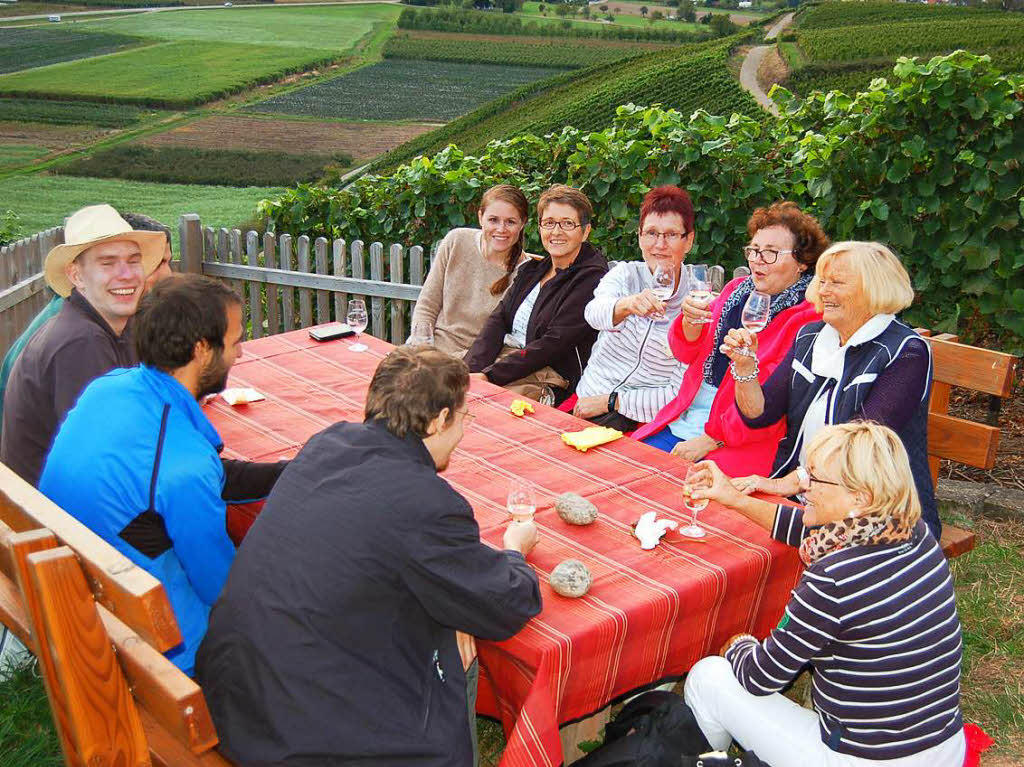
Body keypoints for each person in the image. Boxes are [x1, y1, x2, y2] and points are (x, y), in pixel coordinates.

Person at [196, 346, 542, 767]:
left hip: (239, 697)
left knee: (447, 629)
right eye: (464, 418)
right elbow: (503, 604)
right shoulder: (426, 503)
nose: (464, 433)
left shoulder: (328, 443)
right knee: (453, 649)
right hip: (304, 736)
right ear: (439, 420)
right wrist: (514, 550)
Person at [39, 275, 286, 675]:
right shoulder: (184, 464)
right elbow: (220, 588)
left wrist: (290, 473)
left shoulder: (108, 389)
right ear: (202, 351)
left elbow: (170, 481)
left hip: (86, 603)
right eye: (236, 341)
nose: (240, 354)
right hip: (161, 651)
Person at [682, 422, 966, 767]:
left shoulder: (833, 579)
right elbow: (807, 528)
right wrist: (733, 498)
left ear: (860, 499)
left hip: (868, 760)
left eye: (815, 480)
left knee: (707, 677)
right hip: (945, 746)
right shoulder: (914, 533)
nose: (804, 488)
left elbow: (761, 677)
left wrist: (738, 644)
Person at [720, 241, 941, 540]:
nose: (823, 291)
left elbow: (856, 448)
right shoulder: (811, 337)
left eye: (836, 282)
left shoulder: (907, 352)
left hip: (872, 506)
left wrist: (789, 483)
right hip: (808, 493)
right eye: (822, 281)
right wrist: (745, 369)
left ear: (873, 289)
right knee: (720, 523)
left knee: (742, 521)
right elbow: (759, 414)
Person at [632, 202, 828, 477]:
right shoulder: (736, 291)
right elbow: (684, 354)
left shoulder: (807, 317)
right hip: (686, 414)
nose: (758, 259)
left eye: (771, 253)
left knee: (675, 493)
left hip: (740, 437)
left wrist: (713, 438)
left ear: (802, 262)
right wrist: (688, 322)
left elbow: (774, 406)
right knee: (626, 468)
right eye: (755, 250)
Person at [1, 204, 167, 485]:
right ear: (76, 276)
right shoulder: (80, 342)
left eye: (133, 260)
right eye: (108, 263)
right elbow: (110, 458)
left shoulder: (116, 324)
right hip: (50, 517)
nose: (126, 274)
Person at [465, 184, 608, 402]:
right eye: (549, 223)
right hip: (509, 364)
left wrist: (488, 376)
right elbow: (499, 319)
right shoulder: (533, 270)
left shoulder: (592, 279)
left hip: (551, 378)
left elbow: (554, 343)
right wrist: (470, 370)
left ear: (585, 231)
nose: (556, 232)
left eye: (568, 223)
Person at [571, 185, 695, 431]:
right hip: (588, 400)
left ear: (688, 241)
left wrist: (613, 402)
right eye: (651, 233)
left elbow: (680, 392)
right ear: (639, 237)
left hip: (646, 419)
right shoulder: (625, 275)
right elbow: (594, 312)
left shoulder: (695, 303)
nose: (659, 244)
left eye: (671, 234)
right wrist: (627, 305)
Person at [410, 184, 537, 356]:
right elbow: (427, 305)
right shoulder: (457, 241)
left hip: (475, 359)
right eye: (493, 220)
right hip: (431, 347)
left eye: (510, 222)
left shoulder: (525, 273)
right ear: (480, 217)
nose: (501, 229)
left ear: (522, 224)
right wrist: (422, 349)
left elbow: (510, 338)